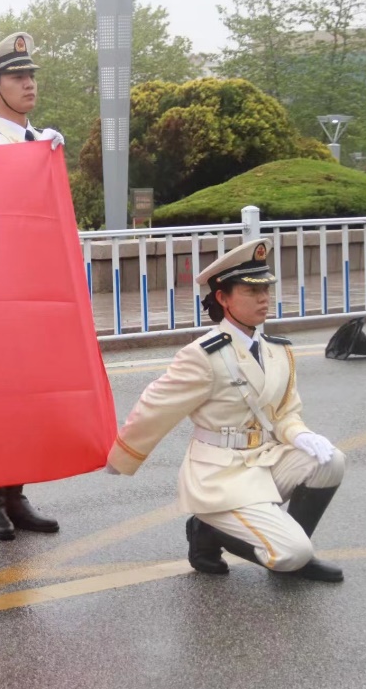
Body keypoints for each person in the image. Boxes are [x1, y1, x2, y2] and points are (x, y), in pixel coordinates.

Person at [104, 239, 346, 582]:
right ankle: (215, 532)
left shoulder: (278, 351)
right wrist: (123, 456)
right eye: (251, 291)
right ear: (223, 298)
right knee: (292, 553)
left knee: (330, 461)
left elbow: (284, 413)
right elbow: (156, 406)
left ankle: (293, 554)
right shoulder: (203, 355)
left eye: (266, 289)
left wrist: (300, 435)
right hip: (218, 475)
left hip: (262, 461)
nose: (263, 298)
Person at [0, 31, 65, 541]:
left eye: (31, 76)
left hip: (35, 286)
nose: (29, 84)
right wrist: (35, 156)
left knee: (28, 395)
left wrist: (47, 156)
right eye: (17, 77)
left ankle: (17, 494)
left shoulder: (43, 143)